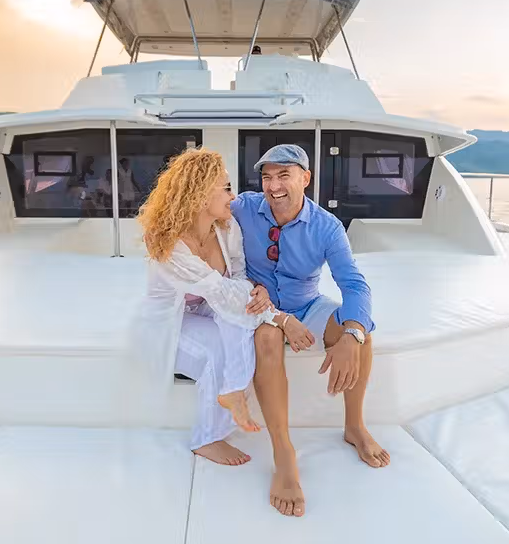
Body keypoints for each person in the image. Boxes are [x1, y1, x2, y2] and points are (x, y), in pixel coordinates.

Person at [231, 143, 389, 517]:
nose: (273, 186)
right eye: (267, 177)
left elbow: (354, 284)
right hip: (257, 307)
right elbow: (203, 210)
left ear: (306, 178)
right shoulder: (243, 207)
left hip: (307, 305)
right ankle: (283, 452)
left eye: (283, 175)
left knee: (360, 332)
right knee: (268, 336)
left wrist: (352, 334)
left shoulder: (327, 226)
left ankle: (354, 426)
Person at [137, 148, 304, 465]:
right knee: (217, 348)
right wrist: (279, 317)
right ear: (201, 196)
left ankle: (233, 389)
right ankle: (207, 438)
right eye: (226, 188)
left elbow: (237, 277)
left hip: (208, 307)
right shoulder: (170, 245)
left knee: (240, 317)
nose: (233, 196)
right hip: (169, 323)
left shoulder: (226, 229)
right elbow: (221, 290)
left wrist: (256, 291)